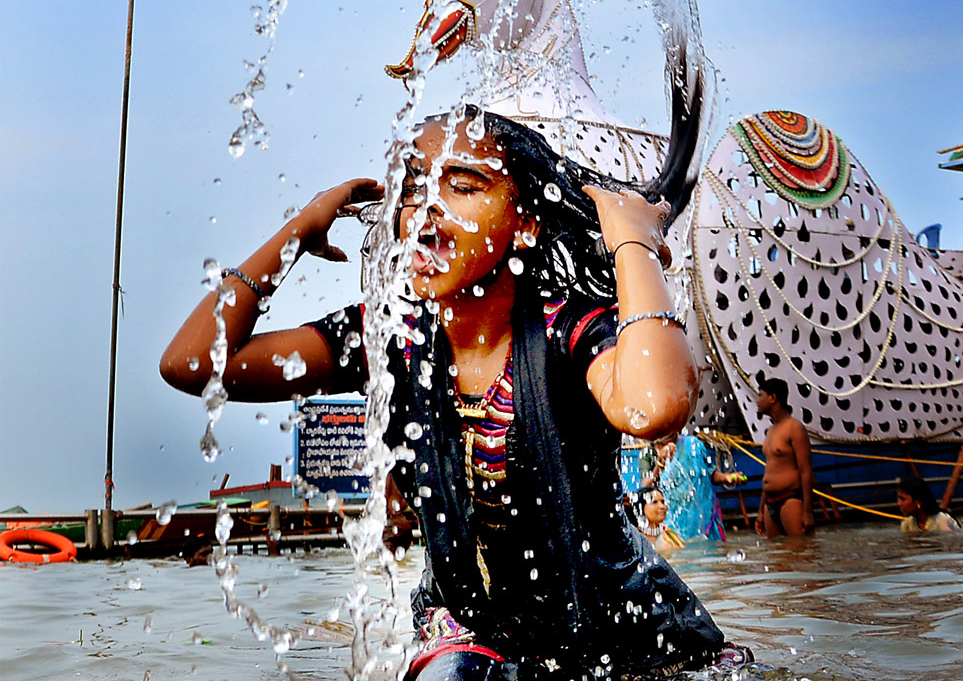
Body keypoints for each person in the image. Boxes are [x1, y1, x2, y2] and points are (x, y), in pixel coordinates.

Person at [161, 110, 746, 680]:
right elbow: (193, 365)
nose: (426, 211)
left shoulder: (566, 328)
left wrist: (633, 245)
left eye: (463, 184)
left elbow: (656, 404)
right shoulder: (391, 337)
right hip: (472, 636)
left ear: (525, 224)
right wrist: (301, 229)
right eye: (413, 188)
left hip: (625, 638)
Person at [753, 378, 815, 537]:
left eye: (761, 396)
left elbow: (806, 471)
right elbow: (770, 472)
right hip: (769, 502)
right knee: (776, 556)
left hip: (791, 499)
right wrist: (760, 511)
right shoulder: (771, 431)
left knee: (800, 554)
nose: (757, 401)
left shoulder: (794, 428)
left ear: (773, 398)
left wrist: (807, 512)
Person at [653, 434, 744, 541]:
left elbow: (708, 472)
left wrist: (726, 478)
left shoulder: (693, 444)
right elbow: (647, 487)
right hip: (674, 522)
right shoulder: (648, 453)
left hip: (706, 517)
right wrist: (660, 463)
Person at [638, 484, 685, 553]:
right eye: (654, 502)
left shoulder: (669, 535)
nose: (662, 506)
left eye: (662, 502)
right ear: (641, 507)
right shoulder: (632, 536)